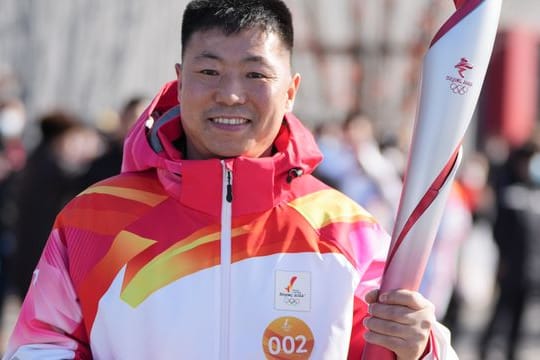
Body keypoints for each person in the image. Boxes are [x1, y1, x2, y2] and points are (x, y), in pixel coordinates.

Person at [4, 1, 457, 359]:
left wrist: (420, 349)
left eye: (256, 73)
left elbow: (390, 348)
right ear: (179, 82)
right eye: (209, 71)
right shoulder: (95, 222)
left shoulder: (343, 230)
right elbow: (40, 347)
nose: (231, 94)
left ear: (291, 91)